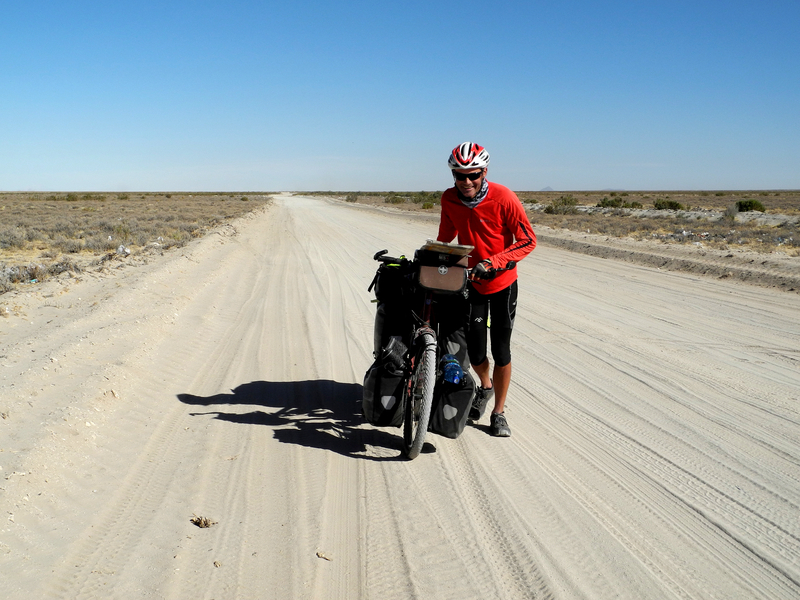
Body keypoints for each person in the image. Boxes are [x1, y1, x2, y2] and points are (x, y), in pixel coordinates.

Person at [436, 142, 536, 437]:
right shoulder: (449, 199)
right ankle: (486, 387)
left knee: (500, 350)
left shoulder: (504, 197)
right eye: (459, 175)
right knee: (476, 352)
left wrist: (496, 261)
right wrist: (435, 258)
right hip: (473, 285)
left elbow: (528, 240)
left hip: (502, 285)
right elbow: (446, 237)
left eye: (473, 175)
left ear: (484, 172)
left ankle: (499, 413)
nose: (466, 181)